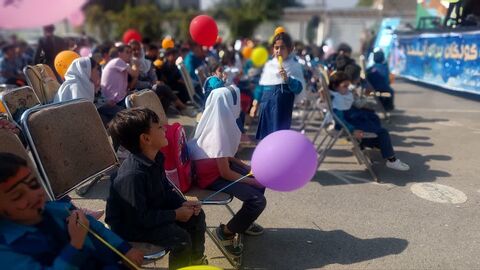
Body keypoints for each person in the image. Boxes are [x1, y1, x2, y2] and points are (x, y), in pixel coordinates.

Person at [0, 152, 144, 269]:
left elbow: (97, 229)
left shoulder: (59, 210)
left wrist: (124, 249)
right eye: (18, 196)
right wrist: (75, 244)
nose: (33, 195)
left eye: (33, 184)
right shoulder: (6, 250)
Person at [105, 108, 207, 269]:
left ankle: (196, 261)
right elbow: (139, 218)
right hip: (131, 226)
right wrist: (175, 214)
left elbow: (165, 189)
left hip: (150, 211)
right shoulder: (132, 176)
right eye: (159, 127)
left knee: (197, 216)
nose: (165, 128)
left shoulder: (156, 157)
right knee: (180, 238)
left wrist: (182, 204)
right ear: (146, 138)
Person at [188, 86, 266, 257]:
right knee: (258, 201)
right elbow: (225, 173)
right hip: (212, 178)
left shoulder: (214, 120)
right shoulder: (218, 131)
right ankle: (226, 232)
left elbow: (226, 156)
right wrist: (252, 180)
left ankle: (244, 222)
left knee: (260, 177)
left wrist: (247, 168)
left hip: (218, 170)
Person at [329, 71, 409, 171]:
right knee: (383, 133)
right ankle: (391, 160)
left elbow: (350, 107)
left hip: (355, 119)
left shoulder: (341, 95)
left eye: (348, 85)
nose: (348, 88)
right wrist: (352, 130)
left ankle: (368, 143)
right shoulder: (337, 100)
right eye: (345, 86)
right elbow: (340, 119)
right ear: (335, 87)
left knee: (374, 118)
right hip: (354, 125)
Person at [250, 32, 305, 140]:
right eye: (276, 48)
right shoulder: (269, 65)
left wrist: (288, 79)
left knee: (279, 138)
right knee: (265, 138)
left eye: (282, 48)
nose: (279, 51)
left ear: (289, 49)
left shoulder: (294, 66)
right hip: (266, 107)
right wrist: (255, 104)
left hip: (282, 108)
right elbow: (261, 86)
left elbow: (299, 88)